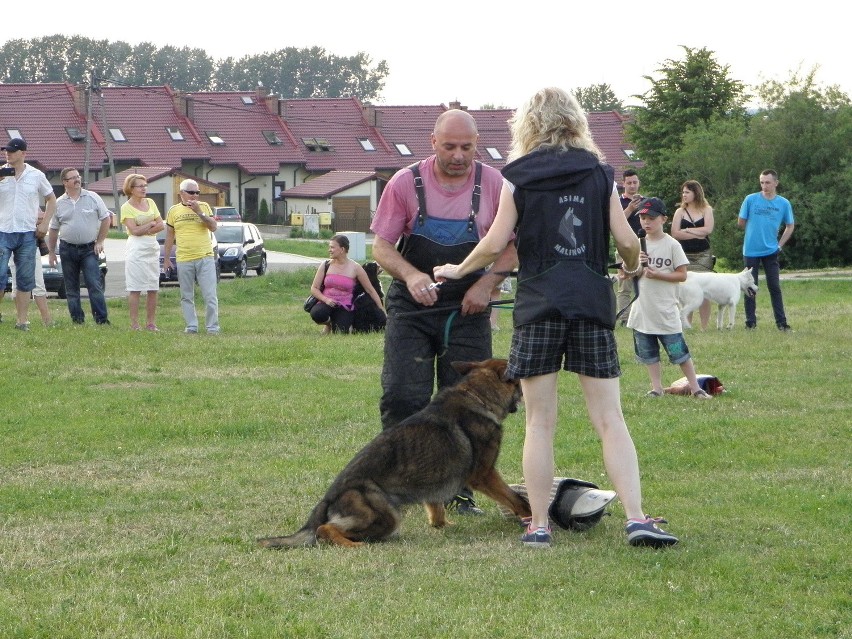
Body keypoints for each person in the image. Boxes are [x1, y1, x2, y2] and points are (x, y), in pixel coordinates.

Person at [434, 87, 679, 548]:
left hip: (539, 305)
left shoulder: (517, 177)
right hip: (589, 302)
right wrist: (630, 265)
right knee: (610, 418)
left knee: (539, 422)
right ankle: (637, 518)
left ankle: (540, 525)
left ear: (527, 125)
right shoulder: (599, 173)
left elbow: (493, 243)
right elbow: (627, 241)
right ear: (575, 121)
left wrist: (457, 269)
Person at [370, 109, 517, 516]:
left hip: (467, 307)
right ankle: (396, 486)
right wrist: (412, 275)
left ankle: (458, 490)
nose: (458, 155)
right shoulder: (405, 183)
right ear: (433, 142)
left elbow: (511, 245)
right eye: (449, 146)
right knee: (403, 394)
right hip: (412, 305)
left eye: (466, 147)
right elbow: (380, 247)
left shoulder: (495, 185)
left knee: (467, 403)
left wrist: (486, 285)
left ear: (477, 145)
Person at [624, 197, 713, 400]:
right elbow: (627, 274)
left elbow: (682, 275)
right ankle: (657, 388)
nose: (646, 222)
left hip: (666, 310)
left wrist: (659, 274)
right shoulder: (637, 245)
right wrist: (636, 265)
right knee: (649, 354)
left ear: (664, 219)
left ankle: (696, 387)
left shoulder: (672, 245)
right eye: (643, 218)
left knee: (679, 352)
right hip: (643, 311)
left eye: (651, 218)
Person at [0, 138, 56, 331]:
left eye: (12, 151)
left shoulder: (36, 175)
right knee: (0, 276)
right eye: (6, 151)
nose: (8, 154)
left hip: (26, 232)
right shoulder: (0, 172)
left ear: (24, 153)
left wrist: (45, 223)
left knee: (25, 278)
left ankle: (22, 321)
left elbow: (51, 198)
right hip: (2, 231)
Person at [48, 167, 111, 326]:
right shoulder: (59, 203)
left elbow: (106, 219)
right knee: (71, 288)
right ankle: (77, 320)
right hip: (67, 249)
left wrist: (100, 241)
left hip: (89, 249)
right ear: (65, 182)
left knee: (94, 285)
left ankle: (101, 320)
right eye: (73, 178)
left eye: (78, 176)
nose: (77, 179)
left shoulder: (93, 197)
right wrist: (51, 252)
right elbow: (54, 229)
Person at [738, 169, 794, 331]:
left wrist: (780, 244)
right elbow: (741, 222)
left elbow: (790, 225)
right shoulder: (750, 199)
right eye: (762, 182)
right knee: (750, 286)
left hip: (771, 250)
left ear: (776, 183)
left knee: (774, 286)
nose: (764, 186)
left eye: (768, 182)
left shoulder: (783, 203)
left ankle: (781, 323)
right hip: (751, 250)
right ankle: (750, 322)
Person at [162, 179, 219, 334]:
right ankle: (191, 325)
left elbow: (213, 227)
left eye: (197, 193)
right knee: (186, 295)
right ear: (181, 193)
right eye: (191, 192)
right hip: (184, 258)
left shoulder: (204, 207)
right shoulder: (173, 211)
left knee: (210, 295)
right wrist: (167, 259)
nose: (194, 196)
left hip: (205, 256)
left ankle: (212, 327)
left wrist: (199, 212)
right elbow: (169, 236)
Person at [308, 234, 385, 334]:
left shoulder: (356, 268)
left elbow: (370, 290)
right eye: (329, 247)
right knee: (318, 314)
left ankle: (339, 323)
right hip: (326, 302)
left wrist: (381, 309)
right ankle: (329, 324)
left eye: (332, 247)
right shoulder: (325, 265)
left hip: (345, 306)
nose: (329, 250)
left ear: (342, 249)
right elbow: (314, 288)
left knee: (341, 332)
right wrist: (326, 299)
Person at [120, 174, 165, 331]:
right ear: (131, 189)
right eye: (140, 186)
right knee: (136, 287)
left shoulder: (151, 202)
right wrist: (151, 223)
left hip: (152, 246)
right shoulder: (126, 207)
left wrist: (147, 226)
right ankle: (134, 323)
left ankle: (151, 323)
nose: (144, 188)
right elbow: (134, 231)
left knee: (153, 286)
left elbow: (161, 225)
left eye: (145, 185)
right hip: (136, 249)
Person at [671, 180, 715, 330]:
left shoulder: (706, 210)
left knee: (704, 290)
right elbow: (675, 233)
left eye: (687, 192)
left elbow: (708, 230)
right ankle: (686, 323)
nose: (684, 195)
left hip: (703, 254)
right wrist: (697, 233)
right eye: (683, 192)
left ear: (696, 193)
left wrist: (688, 230)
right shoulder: (680, 212)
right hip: (684, 255)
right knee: (687, 290)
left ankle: (704, 326)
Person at [615, 169, 643, 322]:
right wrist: (630, 208)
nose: (632, 186)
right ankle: (625, 318)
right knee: (624, 284)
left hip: (643, 245)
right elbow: (617, 221)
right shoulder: (618, 202)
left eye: (635, 182)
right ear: (623, 184)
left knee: (643, 281)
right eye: (629, 183)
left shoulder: (645, 201)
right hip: (624, 245)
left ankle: (641, 315)